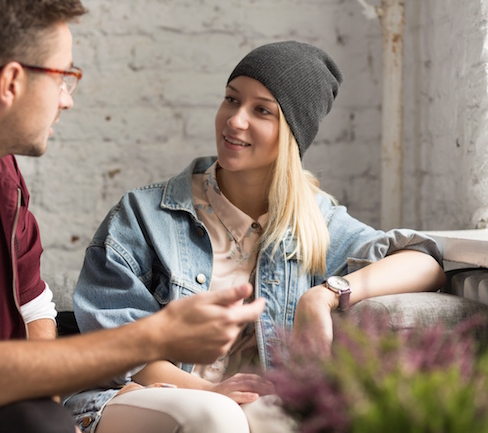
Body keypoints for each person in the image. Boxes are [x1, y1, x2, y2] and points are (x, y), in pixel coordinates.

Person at [0, 2, 267, 433]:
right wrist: (155, 335)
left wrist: (49, 396)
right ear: (11, 81)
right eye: (64, 77)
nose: (68, 99)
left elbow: (33, 303)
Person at [67, 41, 447, 433]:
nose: (235, 120)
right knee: (220, 418)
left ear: (292, 133)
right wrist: (211, 391)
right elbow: (115, 344)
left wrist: (324, 295)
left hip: (249, 408)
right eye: (231, 100)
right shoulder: (145, 215)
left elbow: (425, 261)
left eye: (261, 110)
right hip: (141, 396)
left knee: (279, 420)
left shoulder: (314, 222)